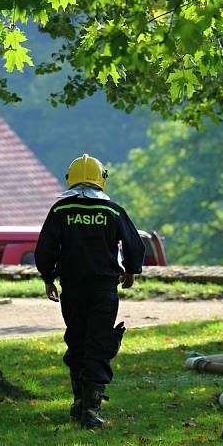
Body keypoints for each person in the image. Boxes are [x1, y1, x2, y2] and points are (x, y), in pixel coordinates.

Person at [35, 154, 144, 429]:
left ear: (70, 178)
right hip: (103, 290)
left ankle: (79, 403)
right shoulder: (113, 212)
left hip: (72, 289)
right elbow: (135, 246)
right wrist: (131, 270)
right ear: (101, 179)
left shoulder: (60, 211)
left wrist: (48, 278)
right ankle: (92, 410)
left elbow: (45, 249)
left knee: (77, 340)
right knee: (99, 343)